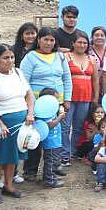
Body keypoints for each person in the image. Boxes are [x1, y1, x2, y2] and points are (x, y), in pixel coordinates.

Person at [21, 28, 72, 182]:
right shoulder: (30, 57)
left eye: (51, 40)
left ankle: (53, 167)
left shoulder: (60, 57)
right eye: (45, 39)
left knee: (55, 136)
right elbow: (24, 82)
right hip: (37, 106)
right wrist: (30, 105)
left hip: (57, 104)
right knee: (37, 135)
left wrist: (67, 99)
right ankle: (30, 170)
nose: (48, 43)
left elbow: (67, 79)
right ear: (39, 40)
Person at [0, 44, 35, 203]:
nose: (10, 61)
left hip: (21, 121)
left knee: (14, 155)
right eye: (5, 58)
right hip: (3, 121)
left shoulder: (18, 73)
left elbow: (29, 95)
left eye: (12, 57)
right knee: (0, 157)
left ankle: (8, 185)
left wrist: (30, 113)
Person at [65, 34, 96, 157]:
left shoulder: (91, 59)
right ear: (73, 43)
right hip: (69, 98)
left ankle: (73, 151)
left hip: (85, 98)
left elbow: (95, 80)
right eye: (79, 42)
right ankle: (64, 153)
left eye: (84, 43)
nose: (82, 45)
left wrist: (95, 97)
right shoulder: (66, 57)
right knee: (65, 126)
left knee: (79, 126)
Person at [37, 88, 68, 189]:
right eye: (55, 99)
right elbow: (50, 124)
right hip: (51, 142)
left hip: (55, 141)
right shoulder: (45, 113)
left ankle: (51, 176)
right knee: (51, 161)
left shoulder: (52, 111)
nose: (57, 102)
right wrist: (60, 117)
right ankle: (49, 180)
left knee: (54, 161)